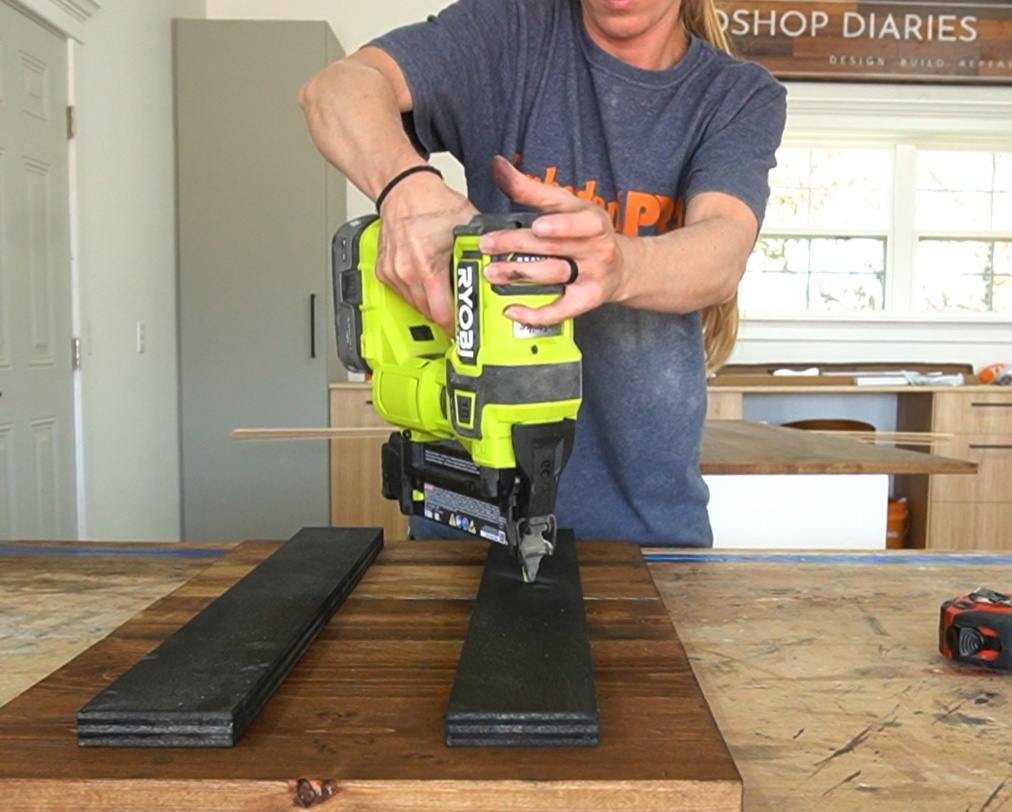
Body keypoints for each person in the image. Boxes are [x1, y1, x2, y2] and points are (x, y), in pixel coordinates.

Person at [299, 0, 786, 547]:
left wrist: (620, 265)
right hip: (472, 511)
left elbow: (721, 253)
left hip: (645, 528)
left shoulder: (736, 95)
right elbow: (335, 89)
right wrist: (407, 187)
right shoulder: (508, 33)